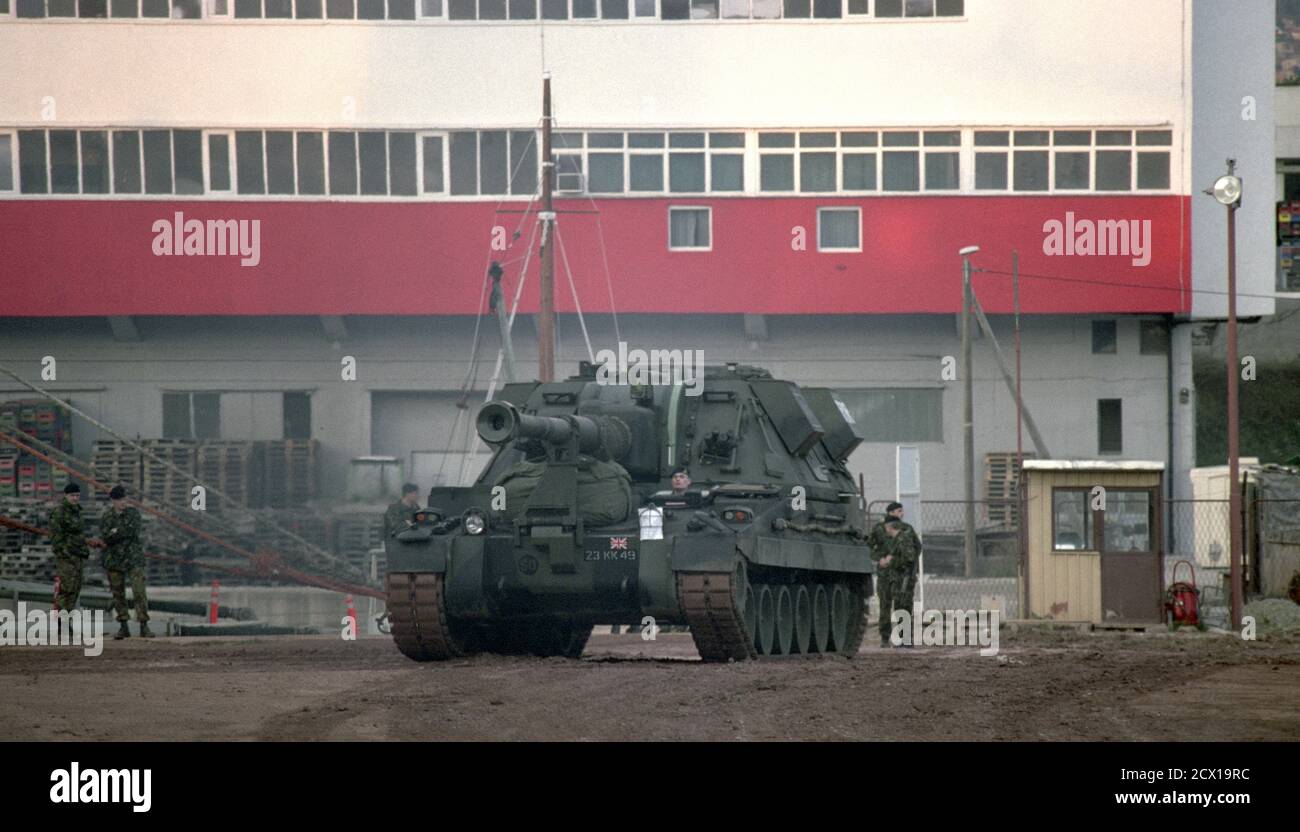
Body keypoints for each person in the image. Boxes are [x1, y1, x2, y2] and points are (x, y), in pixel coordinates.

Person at [101, 485, 152, 639]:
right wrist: (116, 533)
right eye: (119, 500)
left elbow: (132, 531)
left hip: (133, 558)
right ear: (113, 501)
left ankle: (144, 625)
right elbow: (106, 536)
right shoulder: (107, 516)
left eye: (124, 499)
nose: (123, 502)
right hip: (114, 560)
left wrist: (115, 532)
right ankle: (124, 626)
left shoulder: (133, 514)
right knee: (118, 594)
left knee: (139, 592)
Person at [877, 519, 920, 648]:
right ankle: (903, 639)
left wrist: (891, 561)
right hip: (899, 580)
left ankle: (905, 640)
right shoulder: (899, 540)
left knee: (903, 608)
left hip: (903, 580)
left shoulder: (902, 539)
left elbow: (909, 559)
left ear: (890, 527)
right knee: (900, 609)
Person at [49, 482, 90, 613]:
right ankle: (61, 621)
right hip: (67, 557)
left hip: (78, 555)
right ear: (66, 496)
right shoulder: (59, 512)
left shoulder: (77, 511)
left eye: (77, 495)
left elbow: (80, 533)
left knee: (75, 589)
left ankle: (67, 619)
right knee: (66, 589)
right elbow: (56, 537)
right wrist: (65, 553)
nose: (75, 498)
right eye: (72, 495)